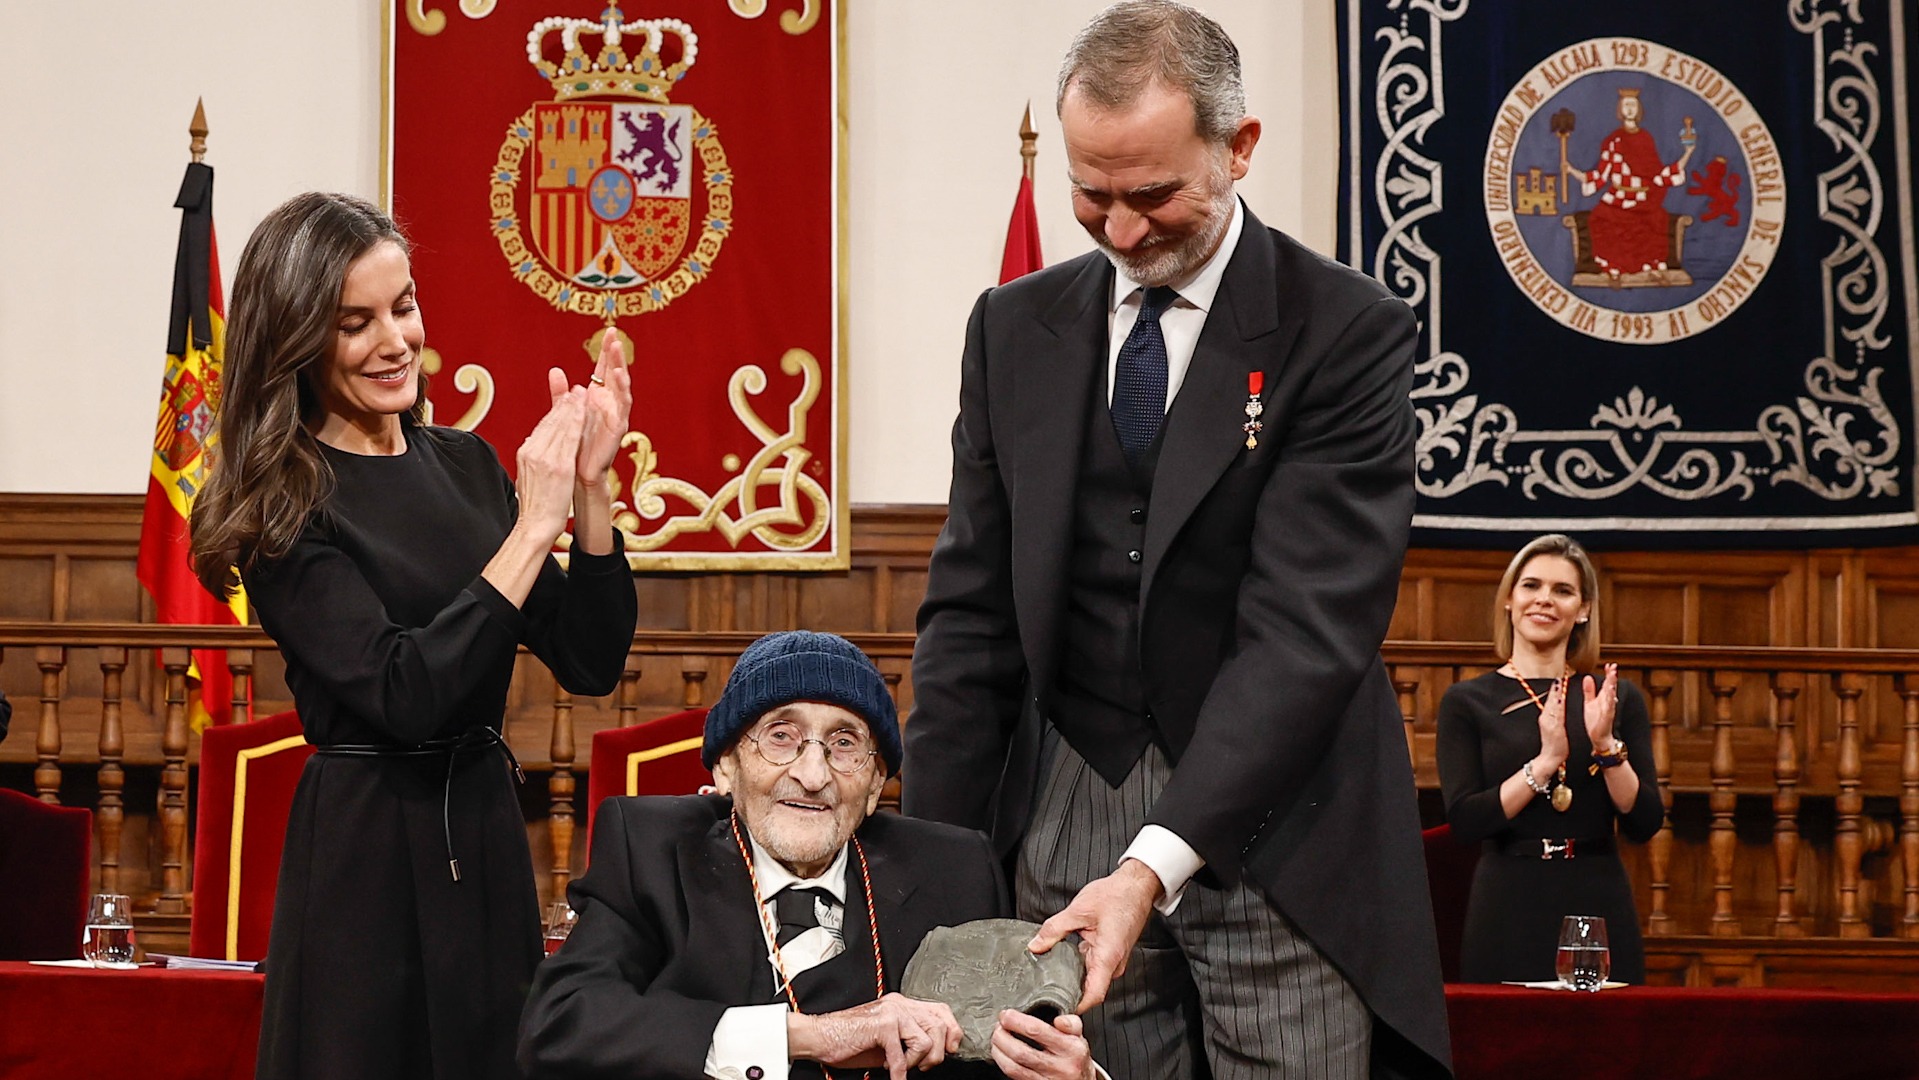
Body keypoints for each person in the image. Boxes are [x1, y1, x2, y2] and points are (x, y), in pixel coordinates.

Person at [903, 3, 1449, 1077]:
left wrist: (1150, 866)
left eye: (1151, 194)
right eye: (1088, 194)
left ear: (1238, 148)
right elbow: (969, 621)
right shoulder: (1010, 329)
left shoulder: (1341, 331)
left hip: (1278, 834)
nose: (1117, 231)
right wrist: (928, 869)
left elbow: (1304, 633)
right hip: (1063, 823)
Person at [188, 191, 639, 1079]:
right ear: (296, 340)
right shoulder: (284, 503)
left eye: (403, 306)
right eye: (355, 322)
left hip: (479, 828)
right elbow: (402, 691)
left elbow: (590, 659)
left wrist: (588, 494)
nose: (395, 341)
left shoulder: (464, 464)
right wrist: (526, 532)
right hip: (363, 849)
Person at [518, 630, 1097, 1080]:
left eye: (845, 744)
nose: (812, 773)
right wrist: (809, 1035)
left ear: (874, 786)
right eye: (780, 736)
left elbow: (999, 1055)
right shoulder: (649, 848)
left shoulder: (954, 869)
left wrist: (1070, 1073)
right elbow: (561, 1026)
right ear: (726, 766)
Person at [1434, 534, 1663, 984]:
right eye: (1531, 586)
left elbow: (1645, 822)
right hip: (1507, 898)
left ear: (1583, 610)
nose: (1544, 600)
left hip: (1596, 897)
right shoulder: (1466, 701)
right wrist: (1544, 763)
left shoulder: (1615, 699)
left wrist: (1605, 749)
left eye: (1563, 591)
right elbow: (1466, 822)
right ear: (1509, 600)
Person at [1577, 88, 1695, 280]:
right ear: (1620, 109)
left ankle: (1650, 267)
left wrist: (1688, 153)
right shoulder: (1613, 141)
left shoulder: (1645, 138)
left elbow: (1657, 174)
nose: (1629, 109)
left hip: (1643, 198)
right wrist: (1574, 173)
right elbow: (1602, 174)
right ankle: (1613, 267)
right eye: (1626, 105)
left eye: (1632, 105)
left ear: (1638, 109)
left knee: (1656, 219)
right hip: (1617, 198)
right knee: (1600, 218)